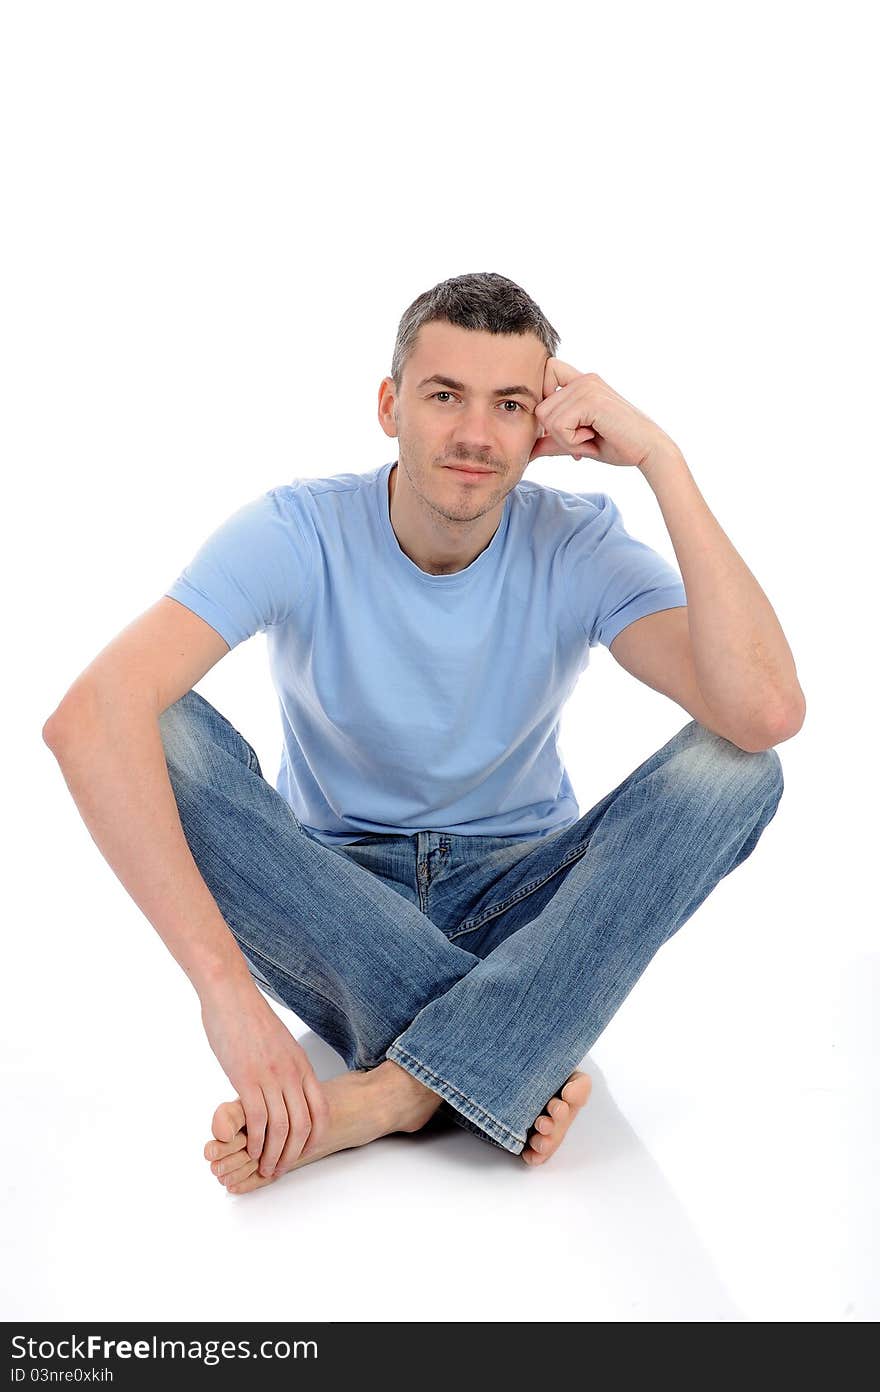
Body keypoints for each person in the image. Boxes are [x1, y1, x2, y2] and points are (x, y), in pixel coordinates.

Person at [43, 272, 805, 1196]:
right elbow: (85, 717)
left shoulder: (576, 542)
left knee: (739, 770)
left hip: (522, 897)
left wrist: (664, 462)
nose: (476, 435)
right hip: (332, 900)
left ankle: (397, 1095)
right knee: (146, 720)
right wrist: (226, 997)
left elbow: (764, 711)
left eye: (510, 404)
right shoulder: (296, 529)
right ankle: (502, 1055)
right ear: (389, 404)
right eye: (445, 396)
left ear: (545, 427)